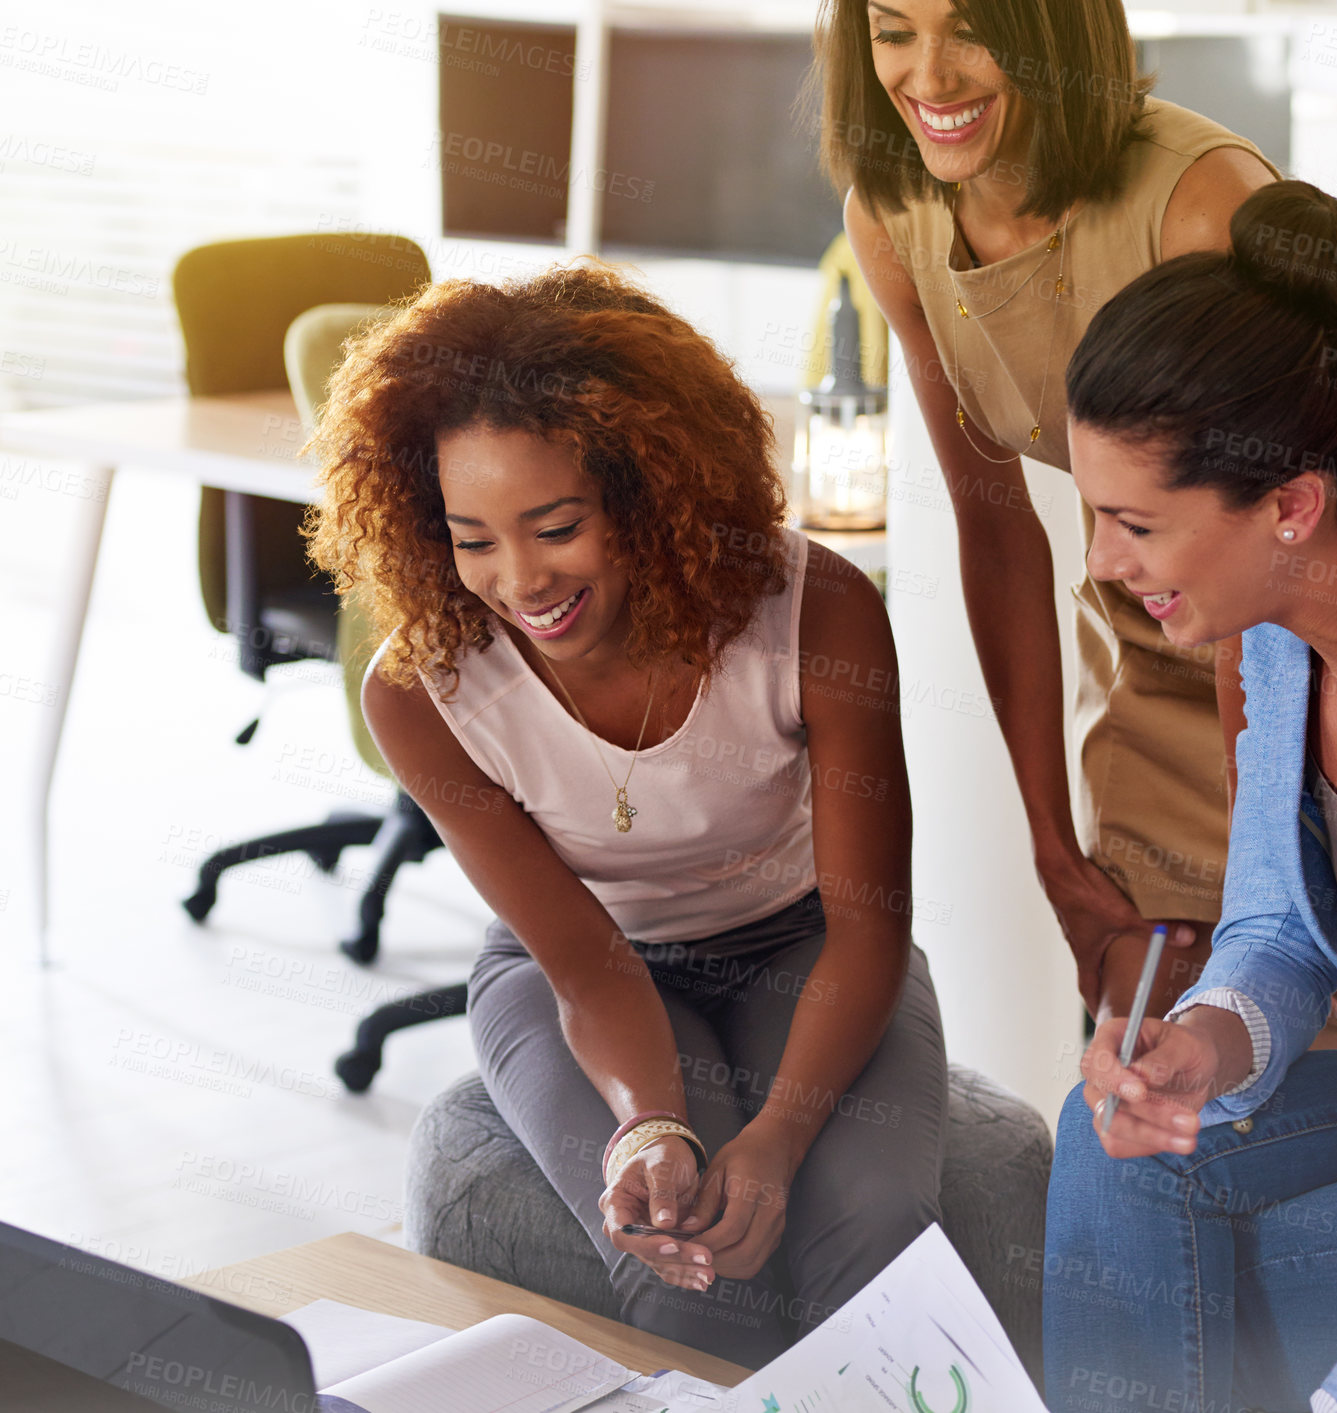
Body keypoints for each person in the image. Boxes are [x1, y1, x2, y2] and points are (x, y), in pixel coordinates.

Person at [306, 263, 947, 1364]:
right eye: (472, 538)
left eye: (554, 526)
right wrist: (649, 1130)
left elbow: (867, 922)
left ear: (651, 496)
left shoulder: (816, 610)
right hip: (588, 964)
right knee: (682, 1248)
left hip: (804, 939)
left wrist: (778, 1143)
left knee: (872, 1225)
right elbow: (585, 964)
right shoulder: (420, 691)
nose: (518, 580)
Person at [812, 0, 1319, 1027]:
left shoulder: (1194, 202)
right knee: (1144, 1045)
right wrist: (1050, 841)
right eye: (893, 30)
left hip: (1308, 645)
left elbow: (1258, 543)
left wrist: (1267, 863)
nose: (929, 75)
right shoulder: (891, 210)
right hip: (1154, 641)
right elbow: (994, 528)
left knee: (1277, 1033)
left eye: (971, 29)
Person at [1044, 181, 1337, 1413]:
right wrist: (1205, 1044)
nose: (1100, 564)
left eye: (1133, 522)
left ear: (1288, 504)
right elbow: (1277, 931)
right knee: (1118, 1143)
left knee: (1269, 1273)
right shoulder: (1283, 644)